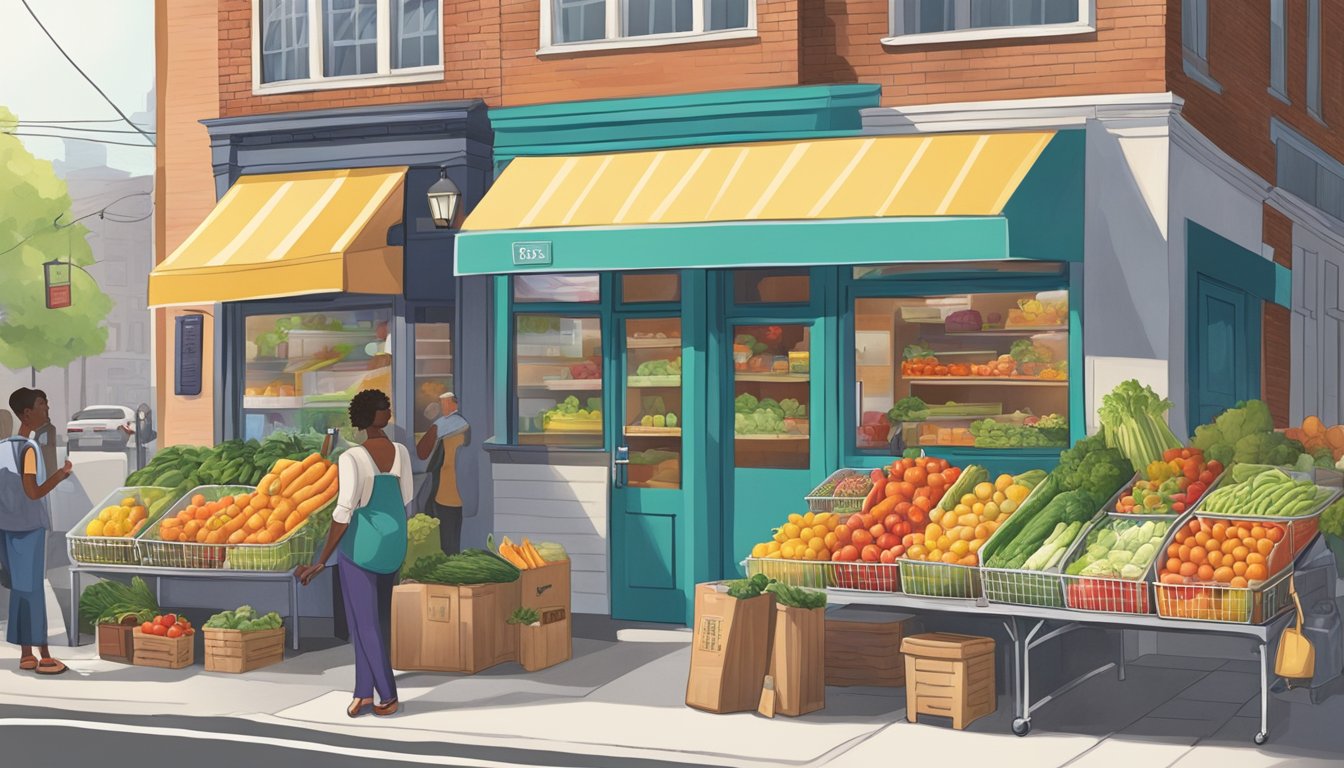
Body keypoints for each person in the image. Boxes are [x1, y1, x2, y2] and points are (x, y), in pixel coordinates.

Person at [296, 390, 410, 718]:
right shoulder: (400, 452)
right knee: (375, 622)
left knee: (364, 623)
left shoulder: (352, 459)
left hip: (361, 547)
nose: (387, 410)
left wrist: (320, 561)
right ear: (374, 415)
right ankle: (363, 693)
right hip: (393, 544)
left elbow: (342, 513)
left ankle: (386, 695)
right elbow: (405, 497)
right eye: (382, 407)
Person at [1, 388, 73, 675]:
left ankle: (25, 654)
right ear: (27, 413)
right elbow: (33, 493)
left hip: (5, 527)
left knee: (20, 589)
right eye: (42, 404)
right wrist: (61, 474)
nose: (47, 409)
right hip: (28, 527)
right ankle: (43, 656)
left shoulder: (4, 446)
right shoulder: (27, 449)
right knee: (32, 590)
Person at [415, 392, 469, 555]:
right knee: (453, 533)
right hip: (458, 492)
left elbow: (422, 452)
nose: (442, 407)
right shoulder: (464, 426)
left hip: (446, 492)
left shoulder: (442, 426)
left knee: (445, 534)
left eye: (444, 403)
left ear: (454, 404)